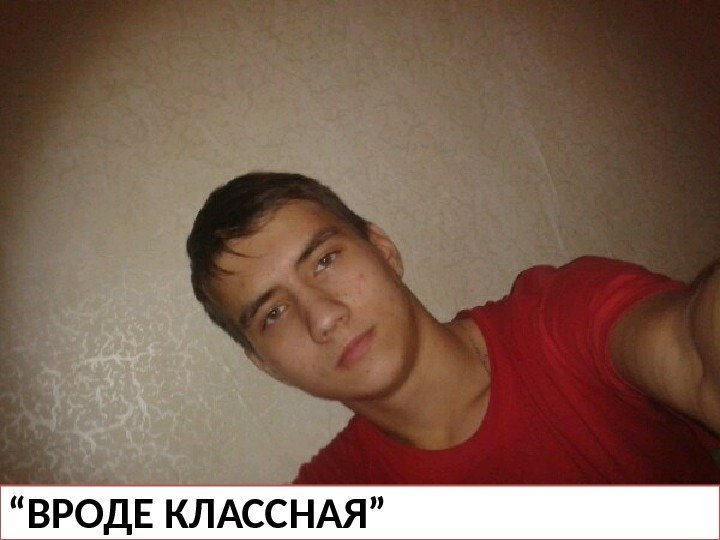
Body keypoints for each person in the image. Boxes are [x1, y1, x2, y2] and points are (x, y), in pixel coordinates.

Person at [186, 172, 720, 484]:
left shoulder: (559, 318)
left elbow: (694, 355)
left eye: (325, 260)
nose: (323, 317)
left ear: (383, 250)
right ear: (266, 365)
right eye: (273, 314)